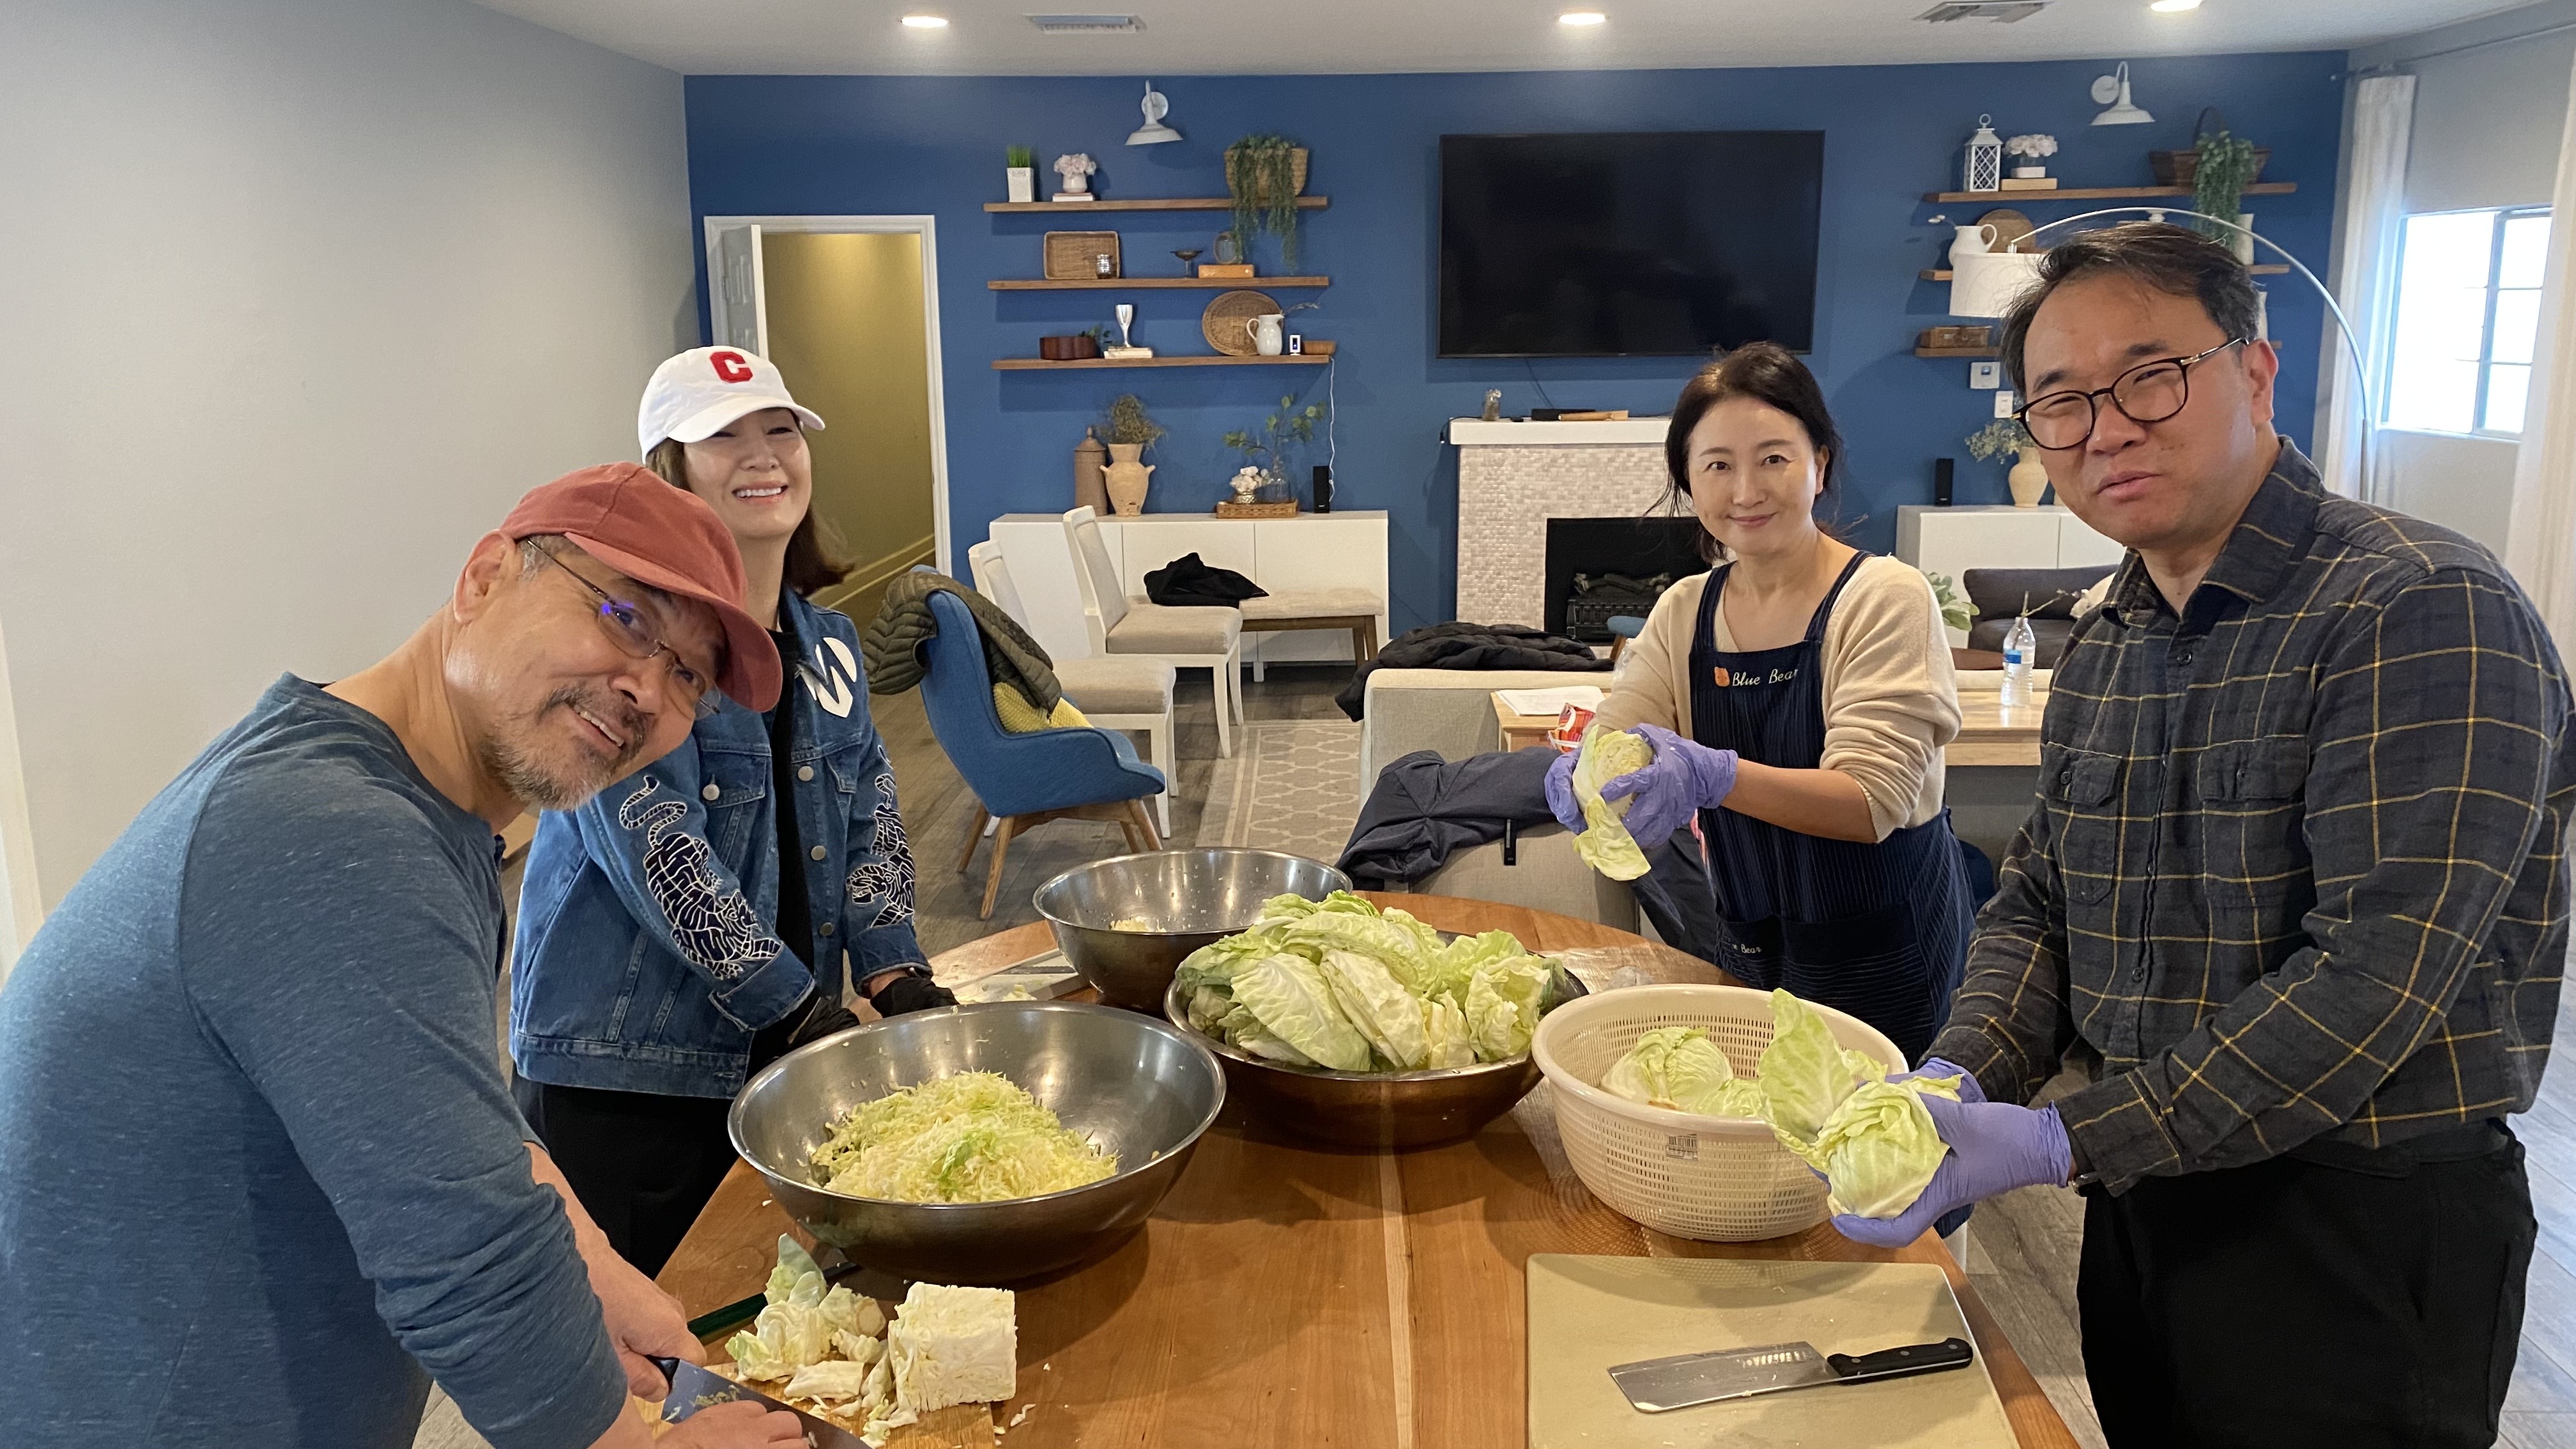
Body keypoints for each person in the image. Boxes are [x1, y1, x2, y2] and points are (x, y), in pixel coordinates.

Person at [1831, 223, 2576, 1448]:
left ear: (2256, 371)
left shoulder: (2417, 606)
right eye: (2060, 401)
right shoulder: (2109, 636)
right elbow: (2041, 904)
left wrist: (2061, 1135)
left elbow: (2374, 976)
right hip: (2149, 1195)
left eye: (2148, 376)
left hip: (2354, 1222)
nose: (2107, 428)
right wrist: (1960, 1073)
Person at [0, 465, 804, 1449]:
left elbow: (447, 1123)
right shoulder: (334, 840)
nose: (648, 689)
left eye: (689, 677)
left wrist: (591, 1265)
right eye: (627, 618)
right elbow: (469, 1257)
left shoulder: (402, 808)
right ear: (483, 578)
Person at [511, 346, 953, 1276]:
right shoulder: (627, 647)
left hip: (781, 1048)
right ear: (670, 471)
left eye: (781, 430)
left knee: (772, 1307)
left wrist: (893, 967)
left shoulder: (829, 644)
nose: (763, 456)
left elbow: (871, 811)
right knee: (657, 1327)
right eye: (723, 437)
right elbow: (661, 855)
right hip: (634, 1075)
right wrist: (795, 1009)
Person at [1549, 342, 1973, 1060]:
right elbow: (1620, 735)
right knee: (1754, 1115)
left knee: (1881, 1123)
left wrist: (1716, 776)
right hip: (1752, 941)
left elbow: (1871, 801)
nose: (1746, 491)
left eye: (1773, 458)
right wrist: (1587, 774)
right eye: (1717, 465)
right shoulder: (1684, 611)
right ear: (1688, 481)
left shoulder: (1883, 598)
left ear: (1820, 465)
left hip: (1886, 950)